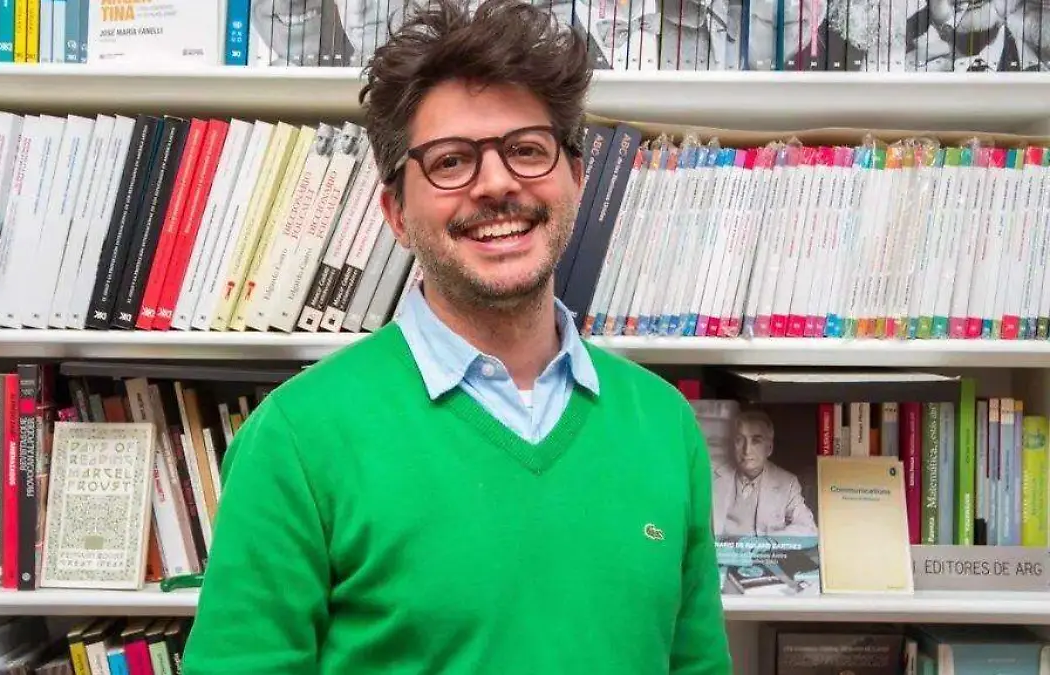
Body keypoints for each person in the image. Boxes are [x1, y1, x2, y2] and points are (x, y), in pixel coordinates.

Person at [181, 0, 731, 672]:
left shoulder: (666, 426)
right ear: (396, 213)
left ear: (577, 179)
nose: (497, 183)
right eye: (450, 162)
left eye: (526, 150)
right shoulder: (295, 439)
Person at [712, 409, 817, 538]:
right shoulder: (712, 477)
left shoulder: (787, 483)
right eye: (739, 440)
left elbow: (808, 529)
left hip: (766, 549)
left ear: (769, 448)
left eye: (756, 441)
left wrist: (765, 542)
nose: (747, 450)